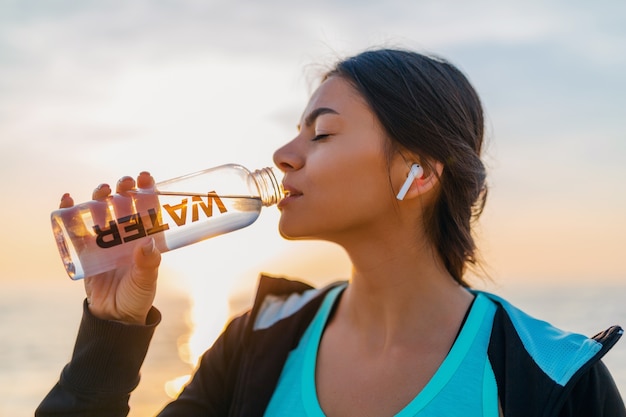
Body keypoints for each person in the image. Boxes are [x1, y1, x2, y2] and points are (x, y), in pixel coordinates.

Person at [36, 48, 624, 416]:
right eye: (296, 131)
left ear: (416, 172)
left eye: (321, 133)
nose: (284, 154)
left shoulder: (551, 378)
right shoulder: (256, 344)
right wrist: (111, 333)